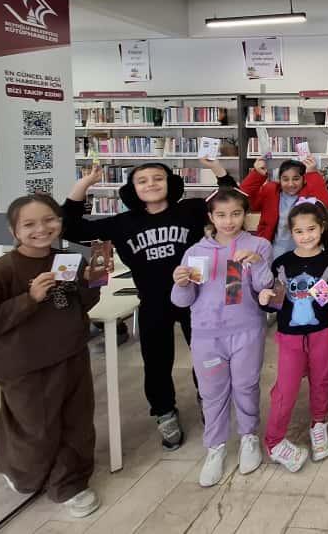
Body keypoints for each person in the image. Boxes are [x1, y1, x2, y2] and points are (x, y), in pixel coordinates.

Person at [63, 158, 235, 450]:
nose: (151, 184)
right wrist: (84, 184)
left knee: (206, 355)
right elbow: (71, 229)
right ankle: (164, 412)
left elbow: (231, 200)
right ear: (132, 189)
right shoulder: (122, 223)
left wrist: (216, 168)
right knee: (156, 362)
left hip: (197, 298)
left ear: (170, 183)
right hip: (153, 302)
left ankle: (208, 399)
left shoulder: (190, 210)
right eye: (142, 181)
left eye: (158, 178)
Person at [0, 195, 101, 517]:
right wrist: (28, 299)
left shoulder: (68, 260)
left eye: (49, 220)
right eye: (29, 224)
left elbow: (81, 305)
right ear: (13, 230)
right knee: (35, 427)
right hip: (24, 365)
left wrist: (93, 281)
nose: (41, 229)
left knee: (76, 421)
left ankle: (68, 483)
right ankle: (21, 471)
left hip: (71, 354)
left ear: (60, 222)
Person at [171, 188, 273, 487]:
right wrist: (180, 283)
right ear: (211, 217)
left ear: (245, 214)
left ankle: (248, 436)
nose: (229, 221)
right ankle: (215, 447)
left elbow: (264, 288)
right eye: (221, 215)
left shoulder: (258, 245)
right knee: (212, 392)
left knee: (246, 385)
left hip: (246, 330)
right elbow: (182, 301)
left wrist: (257, 261)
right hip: (206, 335)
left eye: (236, 214)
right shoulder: (196, 252)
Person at [258, 202, 328, 470]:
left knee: (322, 379)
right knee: (286, 387)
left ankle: (319, 424)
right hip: (290, 336)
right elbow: (275, 303)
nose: (306, 236)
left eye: (311, 229)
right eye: (299, 231)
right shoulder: (282, 263)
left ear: (322, 228)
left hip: (323, 331)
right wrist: (265, 299)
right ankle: (274, 441)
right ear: (291, 232)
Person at [240, 157, 328, 258]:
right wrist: (257, 174)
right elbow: (243, 198)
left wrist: (312, 173)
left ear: (304, 179)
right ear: (279, 180)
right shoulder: (270, 191)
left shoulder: (309, 193)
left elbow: (325, 204)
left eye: (296, 179)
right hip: (272, 251)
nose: (290, 184)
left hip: (304, 251)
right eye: (285, 179)